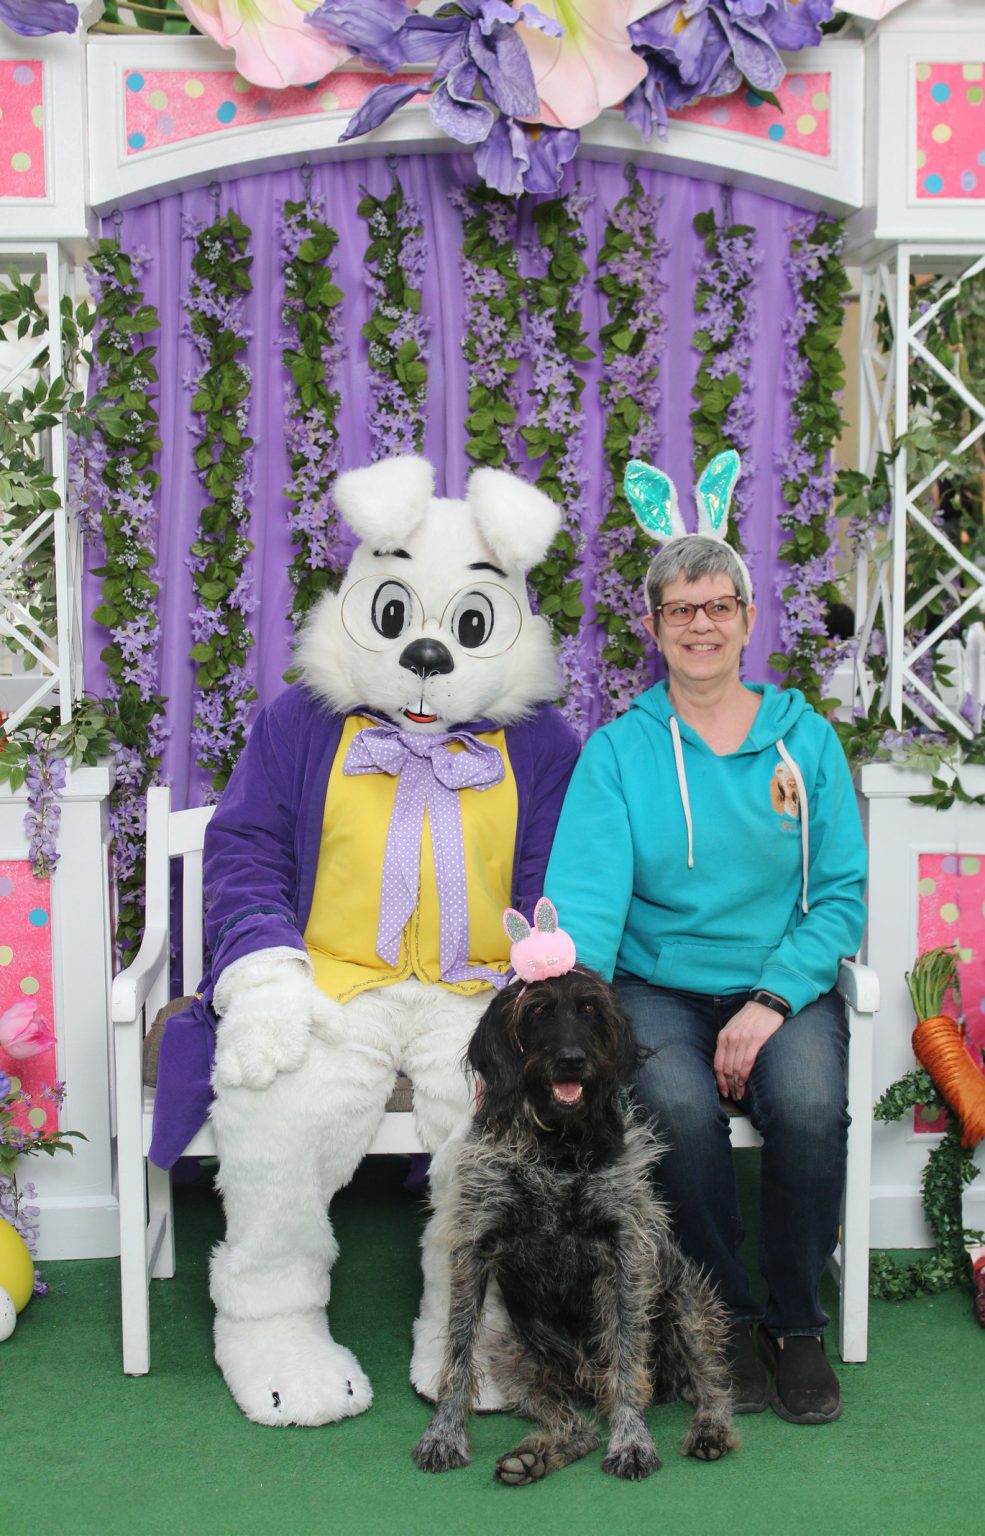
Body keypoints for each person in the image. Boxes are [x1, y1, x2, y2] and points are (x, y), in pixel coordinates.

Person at [545, 453, 867, 1426]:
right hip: (657, 987)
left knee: (805, 1106)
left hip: (780, 981)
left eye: (717, 605)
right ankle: (721, 1317)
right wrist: (570, 1009)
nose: (700, 623)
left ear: (747, 617)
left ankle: (797, 1324)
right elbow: (587, 900)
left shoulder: (807, 742)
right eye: (679, 609)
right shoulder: (617, 751)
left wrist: (772, 1000)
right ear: (652, 627)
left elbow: (839, 897)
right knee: (677, 1111)